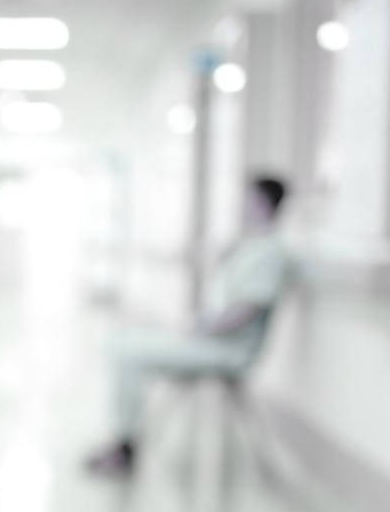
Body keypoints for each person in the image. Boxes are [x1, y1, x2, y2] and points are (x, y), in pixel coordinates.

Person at [85, 174, 291, 476]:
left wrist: (200, 328)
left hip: (227, 350)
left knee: (125, 352)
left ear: (262, 203)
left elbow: (246, 310)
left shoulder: (270, 253)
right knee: (122, 342)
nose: (240, 206)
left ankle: (124, 448)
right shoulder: (248, 246)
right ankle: (124, 442)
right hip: (209, 341)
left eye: (246, 199)